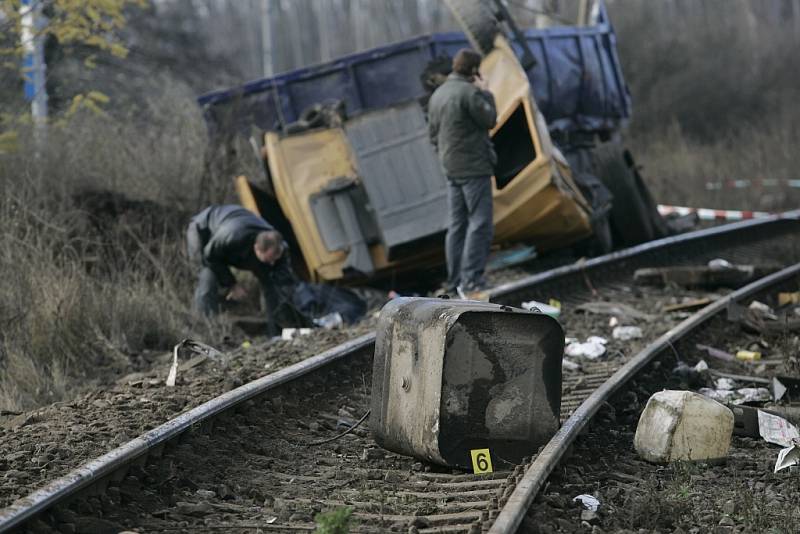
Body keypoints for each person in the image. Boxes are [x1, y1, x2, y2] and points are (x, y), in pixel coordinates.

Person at [427, 48, 497, 295]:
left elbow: (433, 136)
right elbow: (489, 119)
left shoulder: (437, 95)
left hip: (451, 169)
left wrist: (447, 157)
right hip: (474, 168)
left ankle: (454, 280)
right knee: (480, 222)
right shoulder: (470, 93)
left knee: (456, 225)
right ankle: (472, 279)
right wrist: (486, 92)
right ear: (474, 71)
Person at [186, 204, 296, 335]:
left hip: (235, 233)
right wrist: (231, 284)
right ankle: (208, 333)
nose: (272, 263)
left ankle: (276, 333)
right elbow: (210, 256)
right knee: (207, 278)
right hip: (204, 230)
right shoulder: (231, 235)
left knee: (271, 283)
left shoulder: (280, 248)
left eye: (275, 260)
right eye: (269, 259)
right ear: (257, 249)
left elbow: (284, 282)